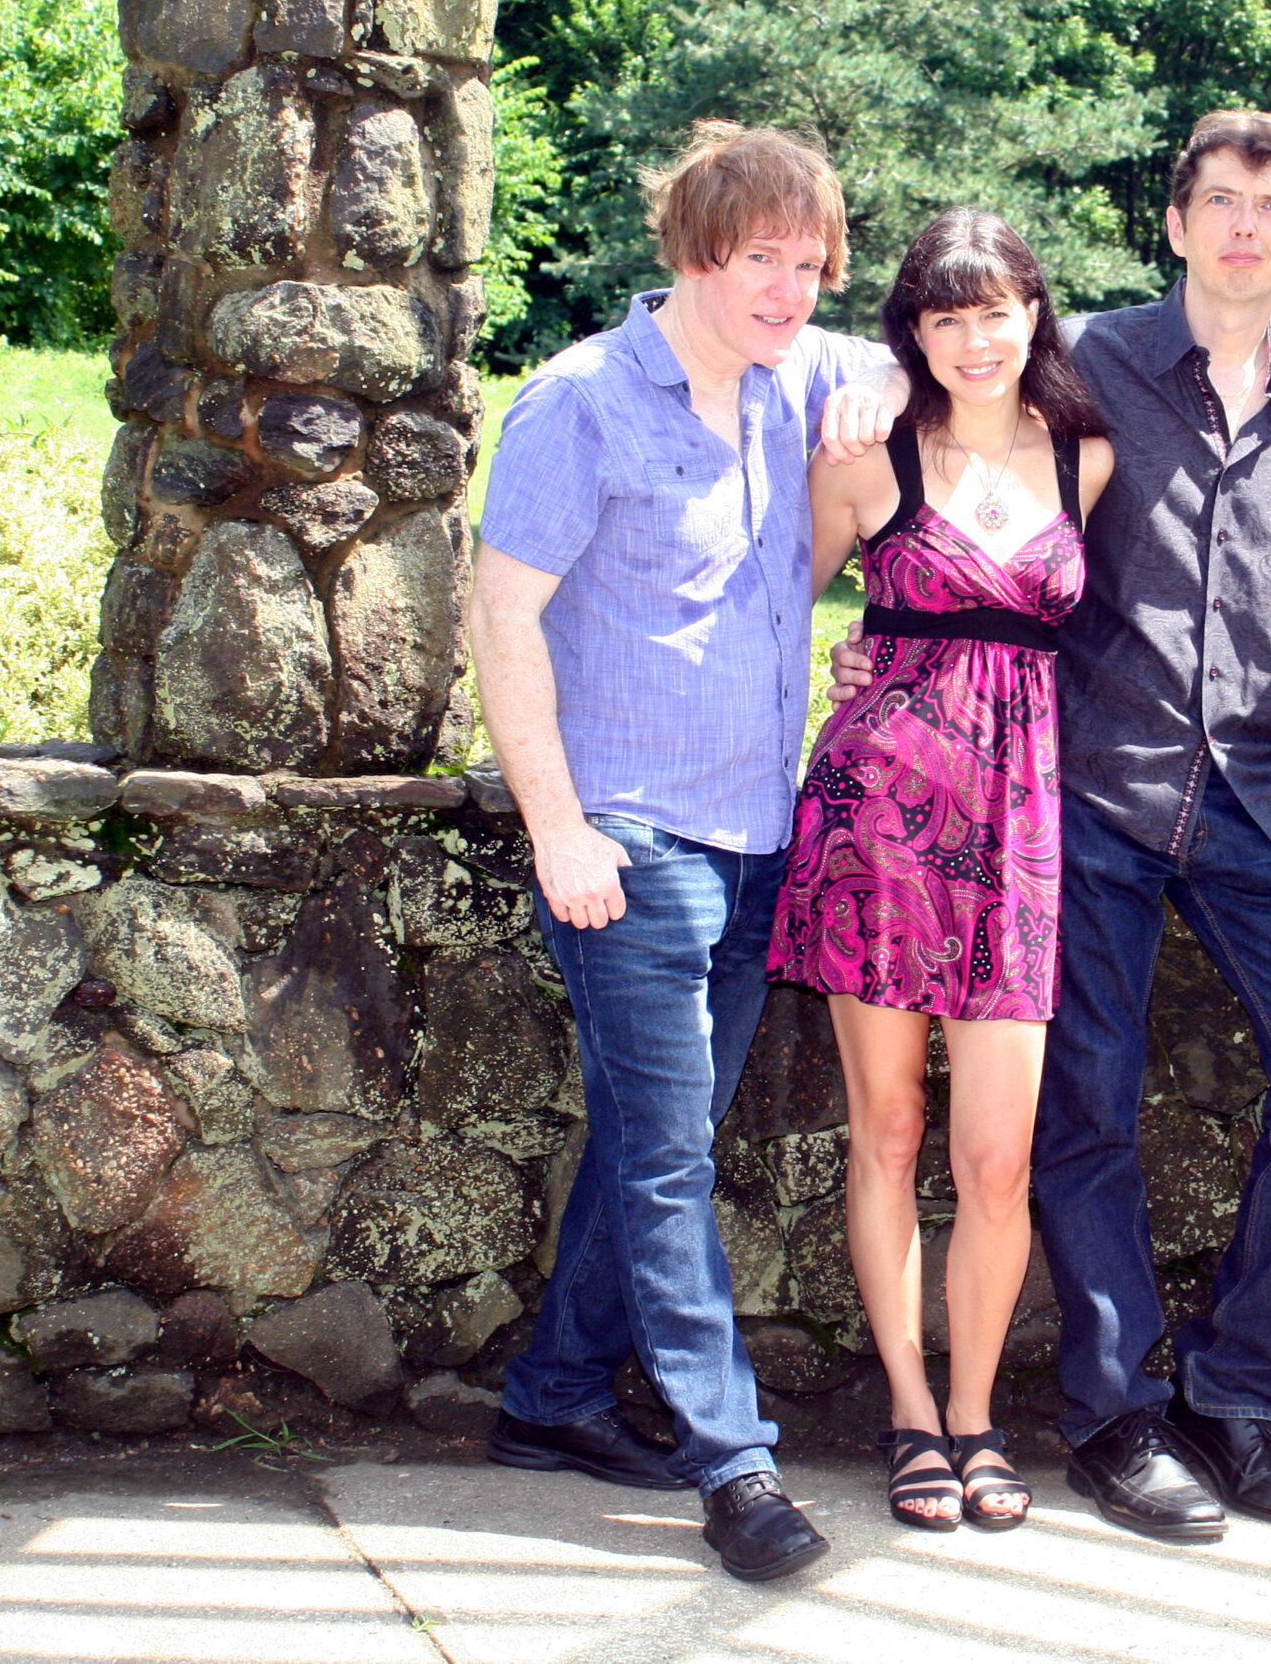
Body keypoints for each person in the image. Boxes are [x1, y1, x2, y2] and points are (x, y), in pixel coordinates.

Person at [823, 112, 1271, 1542]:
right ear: (1178, 223)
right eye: (1221, 200)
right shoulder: (1091, 365)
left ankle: (1231, 1396)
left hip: (1259, 798)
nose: (1246, 225)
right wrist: (871, 377)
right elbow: (951, 372)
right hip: (1085, 792)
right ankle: (1114, 1418)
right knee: (1084, 1104)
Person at [467, 120, 890, 1583]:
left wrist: (877, 392)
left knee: (663, 1142)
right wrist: (560, 829)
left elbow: (937, 361)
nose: (790, 289)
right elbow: (501, 615)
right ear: (697, 253)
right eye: (762, 258)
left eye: (811, 265)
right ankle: (735, 1464)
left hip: (757, 833)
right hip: (630, 843)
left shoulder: (801, 377)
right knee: (665, 1163)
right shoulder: (582, 400)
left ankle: (552, 1398)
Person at [769, 208, 1114, 1531]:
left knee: (997, 1156)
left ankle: (979, 1417)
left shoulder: (1085, 457)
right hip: (880, 827)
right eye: (945, 317)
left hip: (1018, 834)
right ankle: (912, 1413)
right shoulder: (865, 456)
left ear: (1035, 316)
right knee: (891, 1129)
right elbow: (771, 612)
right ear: (912, 331)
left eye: (996, 313)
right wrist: (841, 661)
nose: (975, 340)